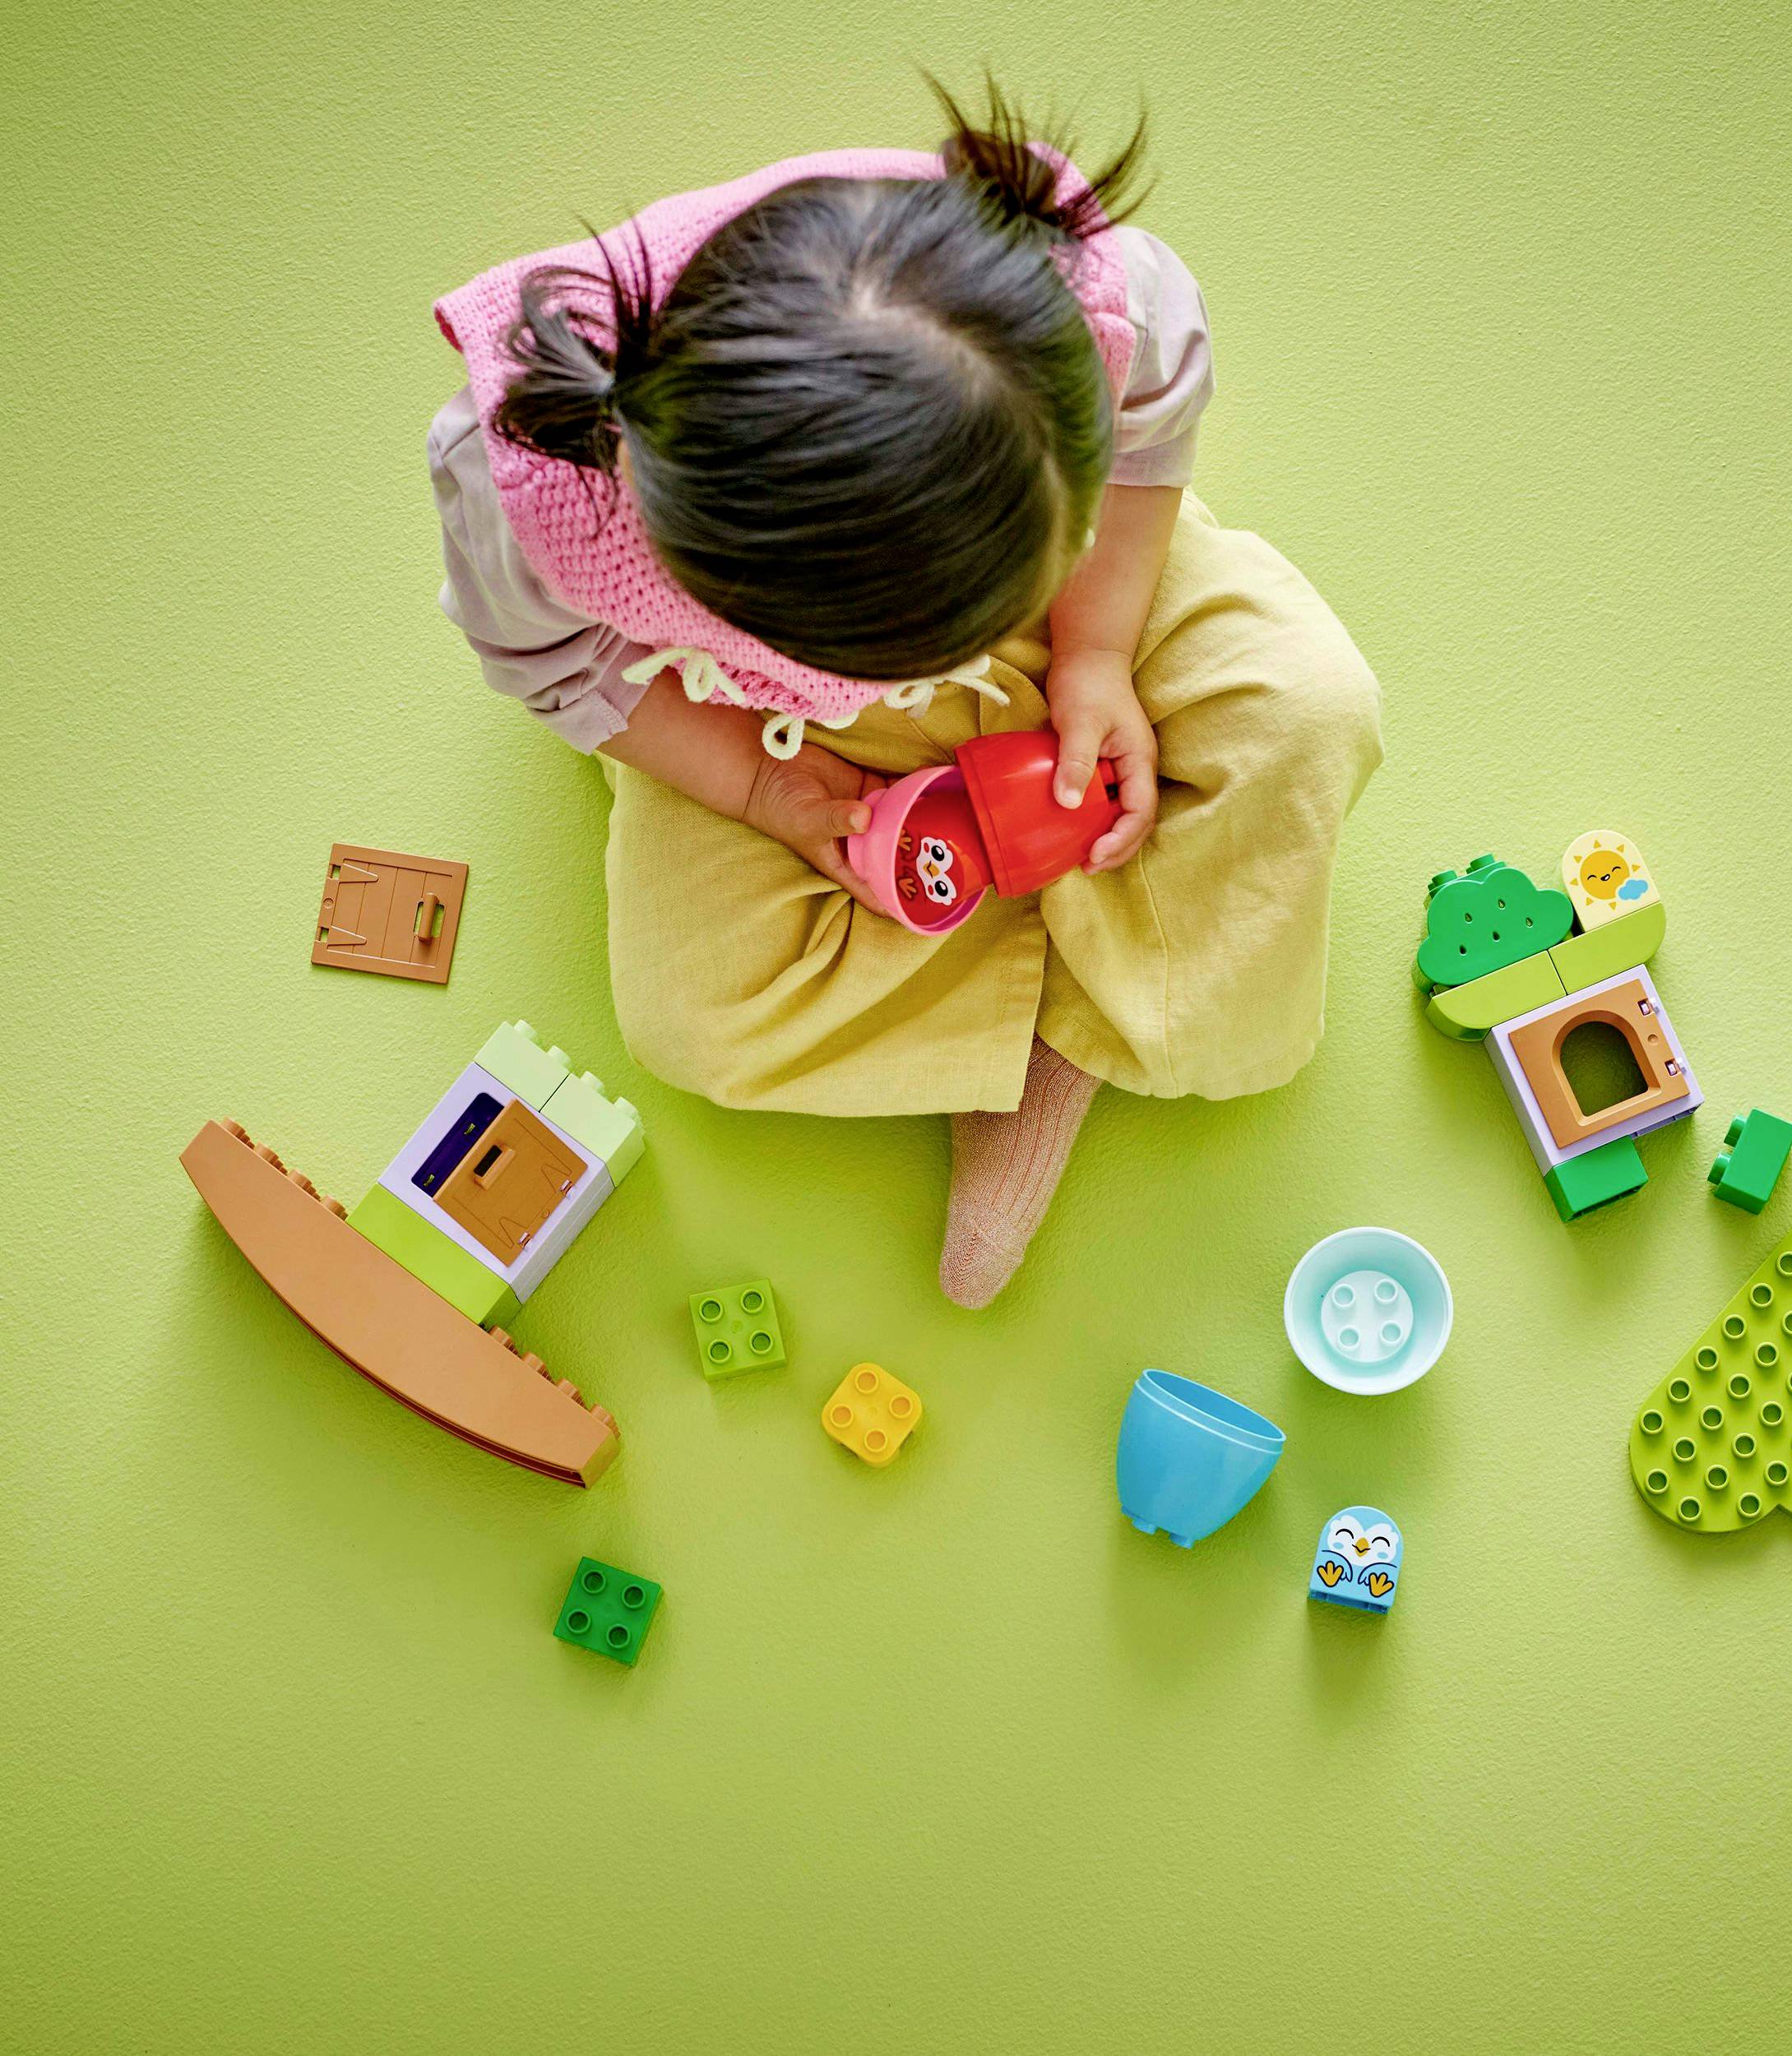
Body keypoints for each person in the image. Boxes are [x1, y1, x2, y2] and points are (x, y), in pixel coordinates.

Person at [428, 81, 1382, 1307]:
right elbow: (562, 669)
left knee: (1309, 704)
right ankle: (1063, 994)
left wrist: (1088, 646)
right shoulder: (533, 496)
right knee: (693, 1020)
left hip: (1084, 583)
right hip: (745, 703)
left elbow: (1150, 437)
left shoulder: (1078, 296)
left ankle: (1064, 1042)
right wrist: (763, 784)